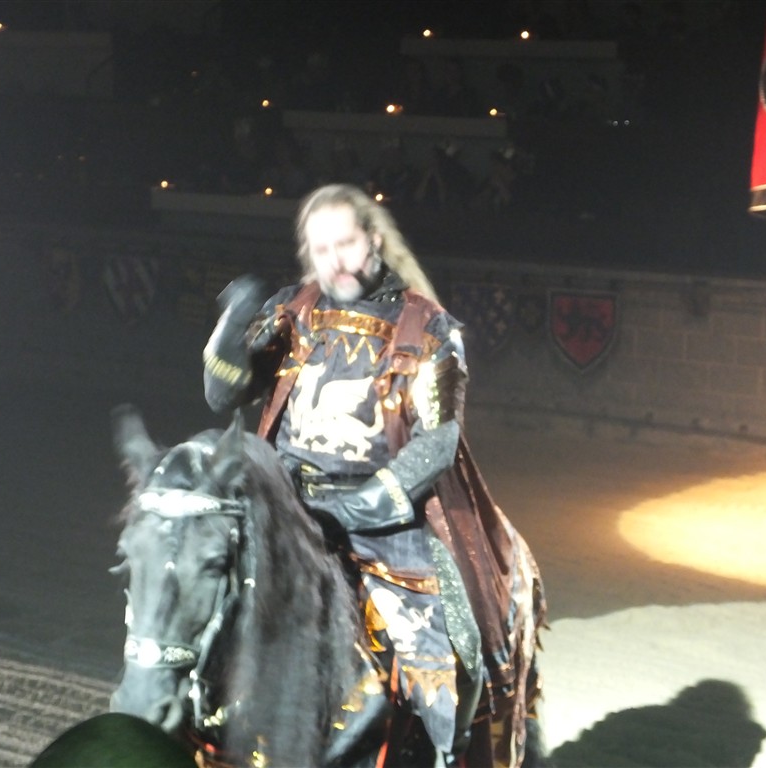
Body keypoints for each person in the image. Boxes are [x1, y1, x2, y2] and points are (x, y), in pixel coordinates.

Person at [202, 183, 541, 765]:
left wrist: (354, 509)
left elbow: (438, 441)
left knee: (454, 651)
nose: (335, 260)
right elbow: (222, 394)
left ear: (374, 242)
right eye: (322, 249)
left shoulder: (430, 330)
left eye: (347, 244)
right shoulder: (292, 311)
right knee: (197, 602)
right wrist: (234, 322)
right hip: (286, 512)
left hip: (387, 524)